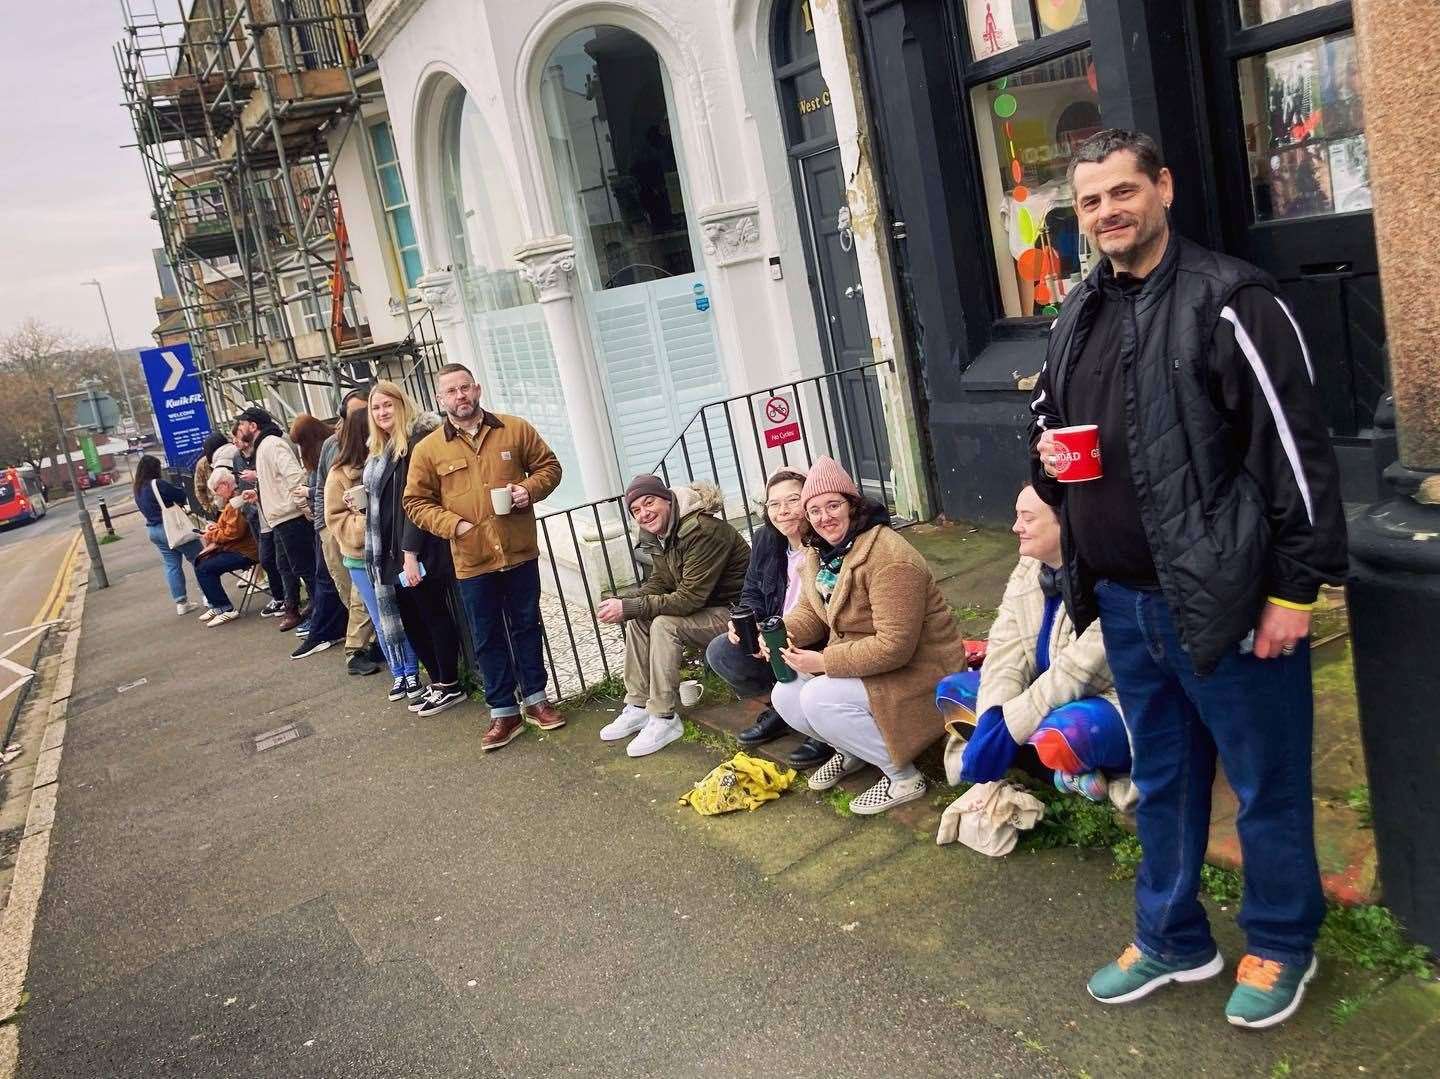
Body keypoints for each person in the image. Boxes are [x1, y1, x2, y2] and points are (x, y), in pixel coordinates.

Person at [1028, 129, 1347, 1027]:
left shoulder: (1230, 297)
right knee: (1164, 781)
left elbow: (1295, 451)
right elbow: (1050, 419)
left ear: (1162, 187)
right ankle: (1174, 937)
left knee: (1264, 781)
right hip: (1128, 603)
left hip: (1231, 597)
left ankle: (1282, 940)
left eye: (1124, 191)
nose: (1108, 212)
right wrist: (1048, 456)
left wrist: (1295, 590)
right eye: (1091, 201)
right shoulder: (1081, 309)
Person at [768, 457, 966, 815]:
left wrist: (824, 661)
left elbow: (895, 648)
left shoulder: (890, 557)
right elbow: (815, 611)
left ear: (853, 505)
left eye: (833, 505)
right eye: (815, 510)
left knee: (816, 696)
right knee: (785, 693)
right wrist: (778, 636)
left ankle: (903, 777)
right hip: (866, 663)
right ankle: (853, 751)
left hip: (919, 672)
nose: (825, 517)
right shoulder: (821, 554)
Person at [403, 363, 566, 751]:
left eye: (465, 388)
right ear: (440, 399)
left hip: (519, 550)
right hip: (472, 559)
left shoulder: (515, 428)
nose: (460, 396)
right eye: (451, 391)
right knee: (487, 635)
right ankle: (503, 712)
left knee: (526, 624)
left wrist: (529, 489)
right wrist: (451, 525)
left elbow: (551, 467)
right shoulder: (428, 450)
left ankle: (536, 701)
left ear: (477, 389)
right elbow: (414, 502)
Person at [935, 486, 1131, 801]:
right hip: (1037, 693)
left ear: (1066, 524)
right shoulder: (1029, 568)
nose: (1015, 528)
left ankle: (1051, 759)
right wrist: (992, 719)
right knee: (952, 692)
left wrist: (1008, 726)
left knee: (1064, 732)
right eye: (1016, 516)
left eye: (1027, 518)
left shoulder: (1111, 580)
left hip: (1104, 699)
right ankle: (1061, 770)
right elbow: (1003, 648)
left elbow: (1073, 673)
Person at [598, 475, 750, 757]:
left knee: (665, 625)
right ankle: (639, 705)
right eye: (636, 510)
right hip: (707, 608)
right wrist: (624, 602)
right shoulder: (661, 533)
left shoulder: (702, 531)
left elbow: (689, 599)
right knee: (640, 619)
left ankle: (665, 718)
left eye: (649, 502)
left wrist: (630, 606)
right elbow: (660, 582)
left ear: (667, 499)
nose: (644, 513)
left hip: (736, 613)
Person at [703, 468, 834, 767]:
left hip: (814, 638)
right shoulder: (766, 540)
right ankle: (780, 708)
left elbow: (824, 613)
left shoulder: (826, 542)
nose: (783, 511)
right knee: (722, 650)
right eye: (774, 504)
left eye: (792, 501)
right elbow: (751, 591)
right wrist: (743, 621)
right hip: (772, 633)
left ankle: (823, 728)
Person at [362, 384, 467, 717]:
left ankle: (449, 683)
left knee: (431, 612)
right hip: (391, 547)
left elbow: (416, 503)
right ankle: (437, 682)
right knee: (411, 618)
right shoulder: (381, 448)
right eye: (376, 408)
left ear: (402, 404)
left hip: (418, 547)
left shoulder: (417, 442)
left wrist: (411, 554)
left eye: (387, 405)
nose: (382, 413)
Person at [325, 403, 422, 703]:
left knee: (405, 614)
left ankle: (414, 672)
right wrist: (369, 521)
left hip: (392, 550)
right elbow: (334, 519)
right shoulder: (339, 473)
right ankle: (401, 672)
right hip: (361, 556)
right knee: (382, 618)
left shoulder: (383, 460)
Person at [234, 406, 314, 632]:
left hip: (290, 518)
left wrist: (303, 509)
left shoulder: (272, 444)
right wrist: (260, 494)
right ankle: (304, 609)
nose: (240, 429)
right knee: (289, 566)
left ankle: (316, 614)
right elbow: (280, 480)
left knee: (304, 568)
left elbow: (294, 478)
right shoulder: (264, 446)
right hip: (281, 517)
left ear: (253, 426)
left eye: (242, 424)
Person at [318, 389, 380, 676]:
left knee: (367, 598)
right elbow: (325, 492)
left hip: (371, 540)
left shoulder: (381, 448)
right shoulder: (336, 448)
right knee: (359, 595)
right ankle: (356, 650)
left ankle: (368, 647)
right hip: (349, 539)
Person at [288, 414, 349, 659]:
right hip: (324, 522)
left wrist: (309, 492)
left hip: (331, 524)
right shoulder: (324, 448)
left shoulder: (329, 447)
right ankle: (325, 629)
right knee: (328, 579)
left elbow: (331, 487)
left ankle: (326, 632)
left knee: (334, 580)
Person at [133, 454, 203, 615]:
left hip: (154, 530)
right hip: (172, 528)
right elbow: (180, 495)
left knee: (172, 565)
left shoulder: (137, 489)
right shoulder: (157, 484)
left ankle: (181, 603)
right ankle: (209, 595)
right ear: (154, 469)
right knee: (199, 559)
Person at [192, 467, 259, 627]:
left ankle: (224, 608)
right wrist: (215, 529)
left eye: (216, 489)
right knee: (202, 564)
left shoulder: (235, 502)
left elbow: (233, 533)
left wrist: (210, 534)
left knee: (203, 566)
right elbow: (231, 530)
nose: (215, 494)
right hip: (241, 548)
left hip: (244, 551)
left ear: (225, 484)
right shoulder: (233, 501)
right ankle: (218, 605)